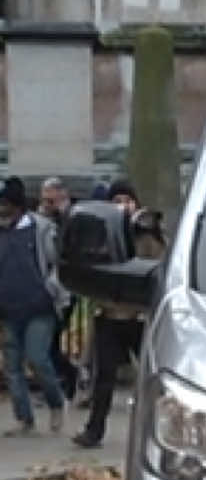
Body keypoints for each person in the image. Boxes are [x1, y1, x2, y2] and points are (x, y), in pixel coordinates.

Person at [71, 179, 157, 450]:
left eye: (127, 200)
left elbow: (156, 263)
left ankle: (156, 432)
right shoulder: (102, 233)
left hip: (139, 316)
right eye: (117, 201)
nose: (123, 206)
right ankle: (94, 431)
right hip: (109, 314)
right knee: (103, 377)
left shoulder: (146, 231)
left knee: (150, 377)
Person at [0, 176, 67, 436]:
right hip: (7, 310)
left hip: (39, 308)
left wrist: (53, 291)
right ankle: (24, 418)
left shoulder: (41, 230)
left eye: (6, 205)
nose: (2, 211)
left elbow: (57, 264)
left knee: (38, 358)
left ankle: (56, 402)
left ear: (18, 206)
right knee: (13, 368)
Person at [37, 176, 78, 398]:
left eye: (50, 200)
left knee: (58, 339)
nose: (47, 204)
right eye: (45, 200)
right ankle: (62, 382)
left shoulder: (72, 217)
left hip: (67, 287)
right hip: (49, 288)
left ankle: (69, 380)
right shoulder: (42, 219)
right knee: (49, 342)